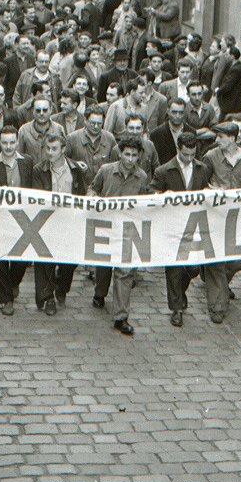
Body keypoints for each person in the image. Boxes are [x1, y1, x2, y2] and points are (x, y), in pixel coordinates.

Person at [88, 137, 150, 336]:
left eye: (134, 155)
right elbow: (93, 188)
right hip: (106, 226)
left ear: (139, 156)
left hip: (127, 229)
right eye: (127, 154)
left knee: (124, 271)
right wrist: (93, 198)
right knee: (104, 265)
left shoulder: (142, 177)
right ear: (120, 153)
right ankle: (100, 292)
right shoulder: (106, 170)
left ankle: (120, 317)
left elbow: (144, 202)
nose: (130, 159)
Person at [151, 133, 211, 327]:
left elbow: (205, 188)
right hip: (172, 227)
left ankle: (180, 292)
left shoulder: (202, 169)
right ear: (178, 150)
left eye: (193, 155)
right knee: (174, 269)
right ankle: (176, 308)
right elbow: (151, 192)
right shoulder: (163, 171)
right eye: (185, 155)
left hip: (194, 226)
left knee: (193, 268)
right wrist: (161, 194)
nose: (189, 158)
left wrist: (209, 192)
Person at [201, 122, 241, 322]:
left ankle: (218, 284)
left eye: (221, 137)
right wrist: (213, 190)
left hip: (237, 215)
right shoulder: (210, 157)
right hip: (216, 214)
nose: (217, 140)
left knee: (237, 261)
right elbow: (202, 183)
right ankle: (217, 305)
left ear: (233, 138)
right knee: (216, 259)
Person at [30, 134, 88, 316]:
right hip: (47, 221)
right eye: (47, 148)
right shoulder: (39, 170)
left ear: (63, 149)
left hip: (70, 221)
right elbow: (36, 195)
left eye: (54, 149)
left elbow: (82, 192)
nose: (50, 152)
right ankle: (48, 297)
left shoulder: (76, 169)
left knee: (70, 261)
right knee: (45, 260)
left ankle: (62, 286)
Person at [0, 127, 36, 314]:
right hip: (0, 218)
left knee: (20, 259)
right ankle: (6, 298)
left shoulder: (27, 162)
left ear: (17, 142)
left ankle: (13, 282)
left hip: (22, 219)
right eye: (4, 142)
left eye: (12, 142)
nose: (8, 147)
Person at [215, 46, 241, 116]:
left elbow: (227, 85)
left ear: (232, 56)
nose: (226, 56)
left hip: (229, 103)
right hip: (238, 102)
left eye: (227, 54)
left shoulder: (235, 70)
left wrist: (218, 91)